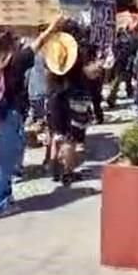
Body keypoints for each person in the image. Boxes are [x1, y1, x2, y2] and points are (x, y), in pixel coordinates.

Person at [0, 17, 61, 219]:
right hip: (8, 115)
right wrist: (53, 26)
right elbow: (39, 42)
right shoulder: (16, 61)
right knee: (5, 162)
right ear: (10, 43)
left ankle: (4, 196)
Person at [45, 29, 101, 186]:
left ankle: (55, 168)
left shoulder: (52, 66)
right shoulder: (76, 63)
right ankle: (68, 172)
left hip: (54, 100)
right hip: (72, 101)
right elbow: (88, 76)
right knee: (70, 139)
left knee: (56, 134)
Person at [106, 25, 138, 108]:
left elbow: (133, 51)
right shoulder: (117, 43)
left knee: (128, 79)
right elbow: (117, 54)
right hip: (120, 64)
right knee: (117, 81)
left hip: (127, 63)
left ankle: (129, 92)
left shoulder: (129, 41)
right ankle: (111, 98)